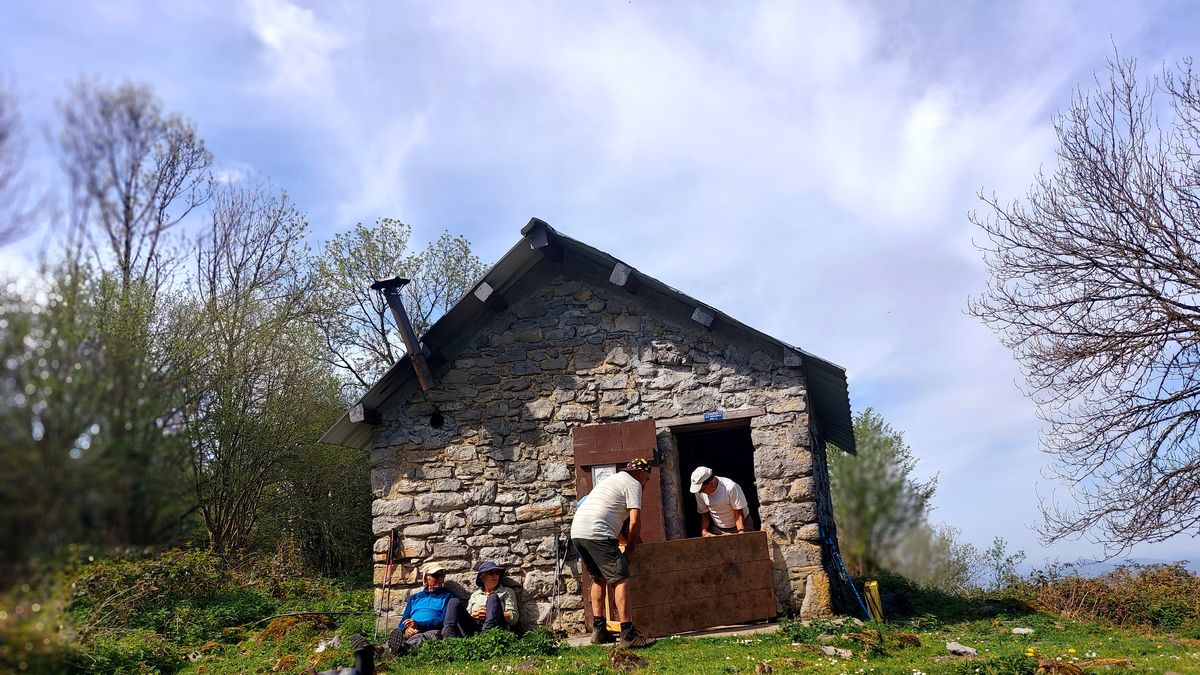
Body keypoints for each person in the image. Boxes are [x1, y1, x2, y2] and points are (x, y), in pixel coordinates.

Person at [569, 457, 657, 649]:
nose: (645, 483)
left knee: (598, 579)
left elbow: (606, 515)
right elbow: (634, 521)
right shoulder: (634, 484)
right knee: (621, 579)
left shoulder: (612, 481)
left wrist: (623, 542)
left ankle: (599, 630)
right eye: (647, 479)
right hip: (598, 533)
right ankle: (628, 633)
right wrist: (630, 551)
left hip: (578, 532)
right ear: (642, 474)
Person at [386, 563, 457, 655]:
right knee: (395, 639)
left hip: (431, 630)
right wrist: (407, 629)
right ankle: (378, 650)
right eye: (436, 575)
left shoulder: (448, 596)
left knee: (421, 638)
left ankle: (402, 650)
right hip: (412, 629)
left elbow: (443, 621)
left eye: (442, 575)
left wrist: (418, 625)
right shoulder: (414, 598)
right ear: (426, 579)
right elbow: (404, 620)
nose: (440, 578)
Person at [460, 560, 519, 634]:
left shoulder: (507, 592)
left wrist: (491, 613)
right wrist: (475, 615)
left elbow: (513, 617)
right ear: (482, 578)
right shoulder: (475, 595)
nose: (495, 576)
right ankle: (448, 638)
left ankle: (487, 632)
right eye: (491, 573)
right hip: (476, 628)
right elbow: (467, 616)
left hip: (497, 628)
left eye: (497, 573)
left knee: (493, 597)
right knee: (454, 602)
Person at [689, 466, 751, 536]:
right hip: (719, 529)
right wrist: (704, 531)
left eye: (702, 490)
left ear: (711, 483)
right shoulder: (699, 492)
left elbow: (738, 513)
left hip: (742, 524)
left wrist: (741, 532)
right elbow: (704, 514)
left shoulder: (730, 487)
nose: (700, 492)